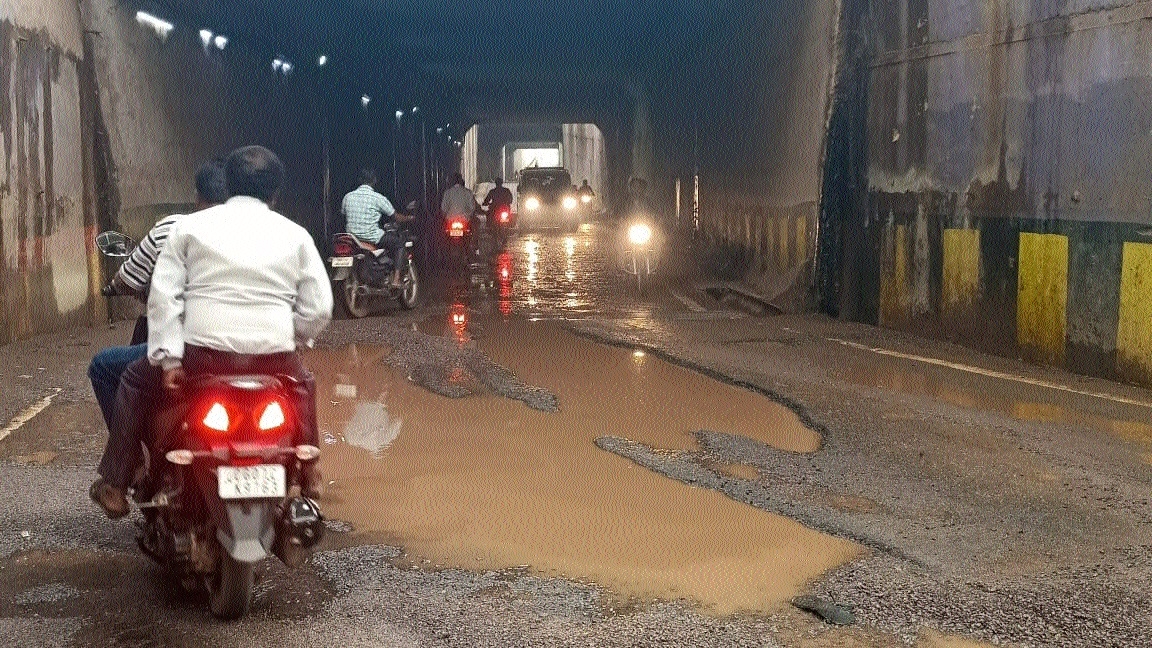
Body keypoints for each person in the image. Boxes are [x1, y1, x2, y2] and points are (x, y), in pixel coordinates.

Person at [90, 145, 333, 519]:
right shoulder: (296, 235)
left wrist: (170, 360)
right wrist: (293, 338)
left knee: (133, 381)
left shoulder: (189, 228)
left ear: (229, 184)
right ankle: (309, 467)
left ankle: (117, 483)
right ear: (275, 193)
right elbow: (318, 307)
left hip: (202, 359)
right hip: (274, 359)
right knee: (303, 384)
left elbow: (164, 297)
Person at [88, 159, 228, 435]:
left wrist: (172, 362)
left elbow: (135, 282)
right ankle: (308, 470)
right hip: (253, 353)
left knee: (103, 367)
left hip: (195, 349)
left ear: (198, 195)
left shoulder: (173, 229)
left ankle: (127, 462)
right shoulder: (258, 232)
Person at [342, 169, 412, 288]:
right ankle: (395, 280)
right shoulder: (378, 198)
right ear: (374, 181)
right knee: (400, 243)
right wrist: (409, 218)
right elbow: (395, 217)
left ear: (359, 181)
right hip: (372, 237)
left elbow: (343, 213)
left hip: (352, 238)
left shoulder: (348, 197)